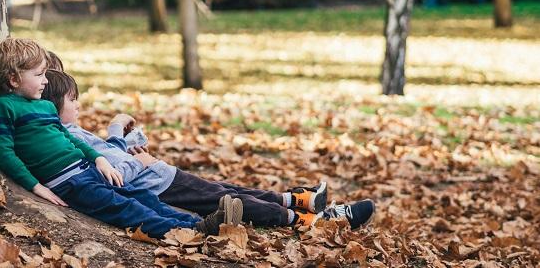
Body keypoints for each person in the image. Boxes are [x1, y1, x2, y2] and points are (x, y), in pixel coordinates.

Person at [41, 67, 376, 230]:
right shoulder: (66, 136)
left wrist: (129, 145)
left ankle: (299, 199)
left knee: (228, 189)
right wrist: (122, 139)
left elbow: (112, 158)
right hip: (158, 184)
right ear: (54, 105)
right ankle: (311, 221)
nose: (79, 105)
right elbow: (113, 170)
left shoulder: (69, 130)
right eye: (73, 100)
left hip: (159, 175)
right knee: (228, 200)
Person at [0, 37, 243, 238]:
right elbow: (4, 153)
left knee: (143, 198)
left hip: (89, 170)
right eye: (39, 75)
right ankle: (187, 232)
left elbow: (71, 139)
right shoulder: (6, 107)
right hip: (69, 183)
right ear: (14, 78)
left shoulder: (45, 106)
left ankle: (199, 223)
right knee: (125, 209)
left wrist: (99, 160)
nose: (45, 81)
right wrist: (35, 187)